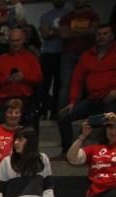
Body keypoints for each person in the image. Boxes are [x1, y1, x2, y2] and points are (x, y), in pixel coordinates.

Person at [57, 25, 116, 154]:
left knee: (111, 121)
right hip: (92, 100)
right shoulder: (87, 55)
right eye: (99, 34)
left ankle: (110, 153)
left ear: (112, 36)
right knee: (63, 117)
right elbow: (77, 80)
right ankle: (67, 152)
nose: (101, 37)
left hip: (111, 100)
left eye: (105, 34)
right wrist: (72, 101)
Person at [67, 113, 116, 197]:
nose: (113, 131)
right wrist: (82, 136)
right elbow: (72, 158)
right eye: (110, 127)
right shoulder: (95, 149)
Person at [0, 28, 44, 124]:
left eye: (17, 40)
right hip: (4, 101)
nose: (15, 44)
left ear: (23, 40)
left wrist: (24, 77)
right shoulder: (1, 59)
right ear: (9, 41)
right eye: (12, 41)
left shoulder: (31, 58)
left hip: (25, 101)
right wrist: (7, 79)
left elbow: (38, 78)